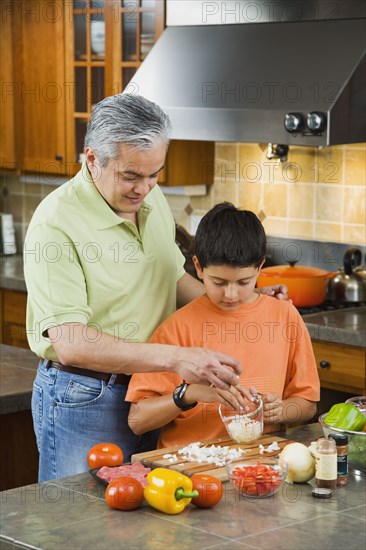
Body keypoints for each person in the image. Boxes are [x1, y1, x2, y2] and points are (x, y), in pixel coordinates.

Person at [24, 94, 288, 481]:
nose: (144, 188)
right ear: (92, 159)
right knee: (82, 527)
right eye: (131, 176)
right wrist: (177, 359)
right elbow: (72, 342)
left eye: (154, 174)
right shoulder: (56, 224)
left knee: (145, 526)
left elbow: (173, 280)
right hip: (86, 397)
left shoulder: (150, 199)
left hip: (152, 394)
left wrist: (244, 300)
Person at [126, 203, 320, 448]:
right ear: (198, 267)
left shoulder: (285, 317)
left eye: (243, 282)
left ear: (260, 267)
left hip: (259, 468)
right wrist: (189, 394)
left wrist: (281, 411)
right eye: (218, 282)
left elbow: (307, 404)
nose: (231, 294)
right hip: (189, 470)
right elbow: (137, 420)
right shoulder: (176, 327)